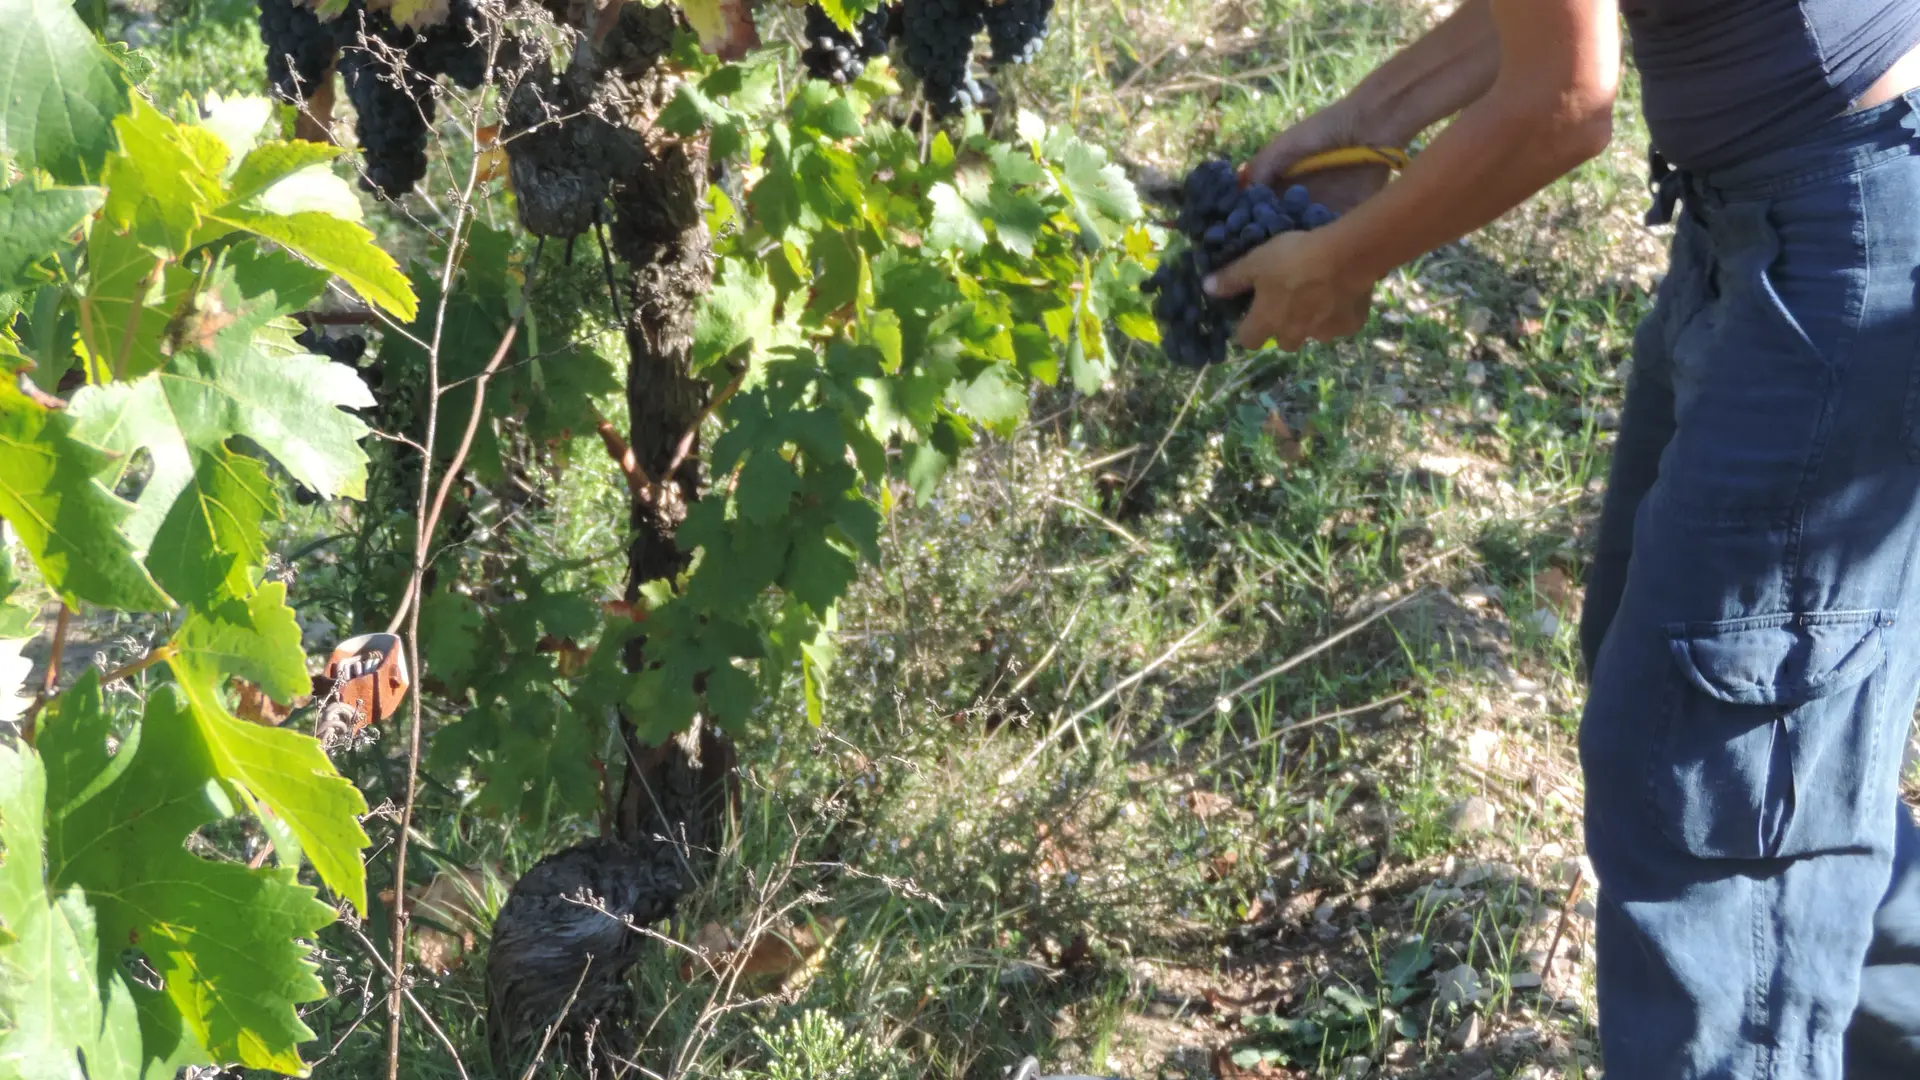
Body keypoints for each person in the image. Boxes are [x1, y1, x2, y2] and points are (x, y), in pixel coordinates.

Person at [1208, 0, 1920, 1076]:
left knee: (1711, 781)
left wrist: (1343, 261)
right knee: (1704, 713)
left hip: (1848, 219)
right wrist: (1372, 117)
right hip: (1773, 213)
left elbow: (1566, 103)